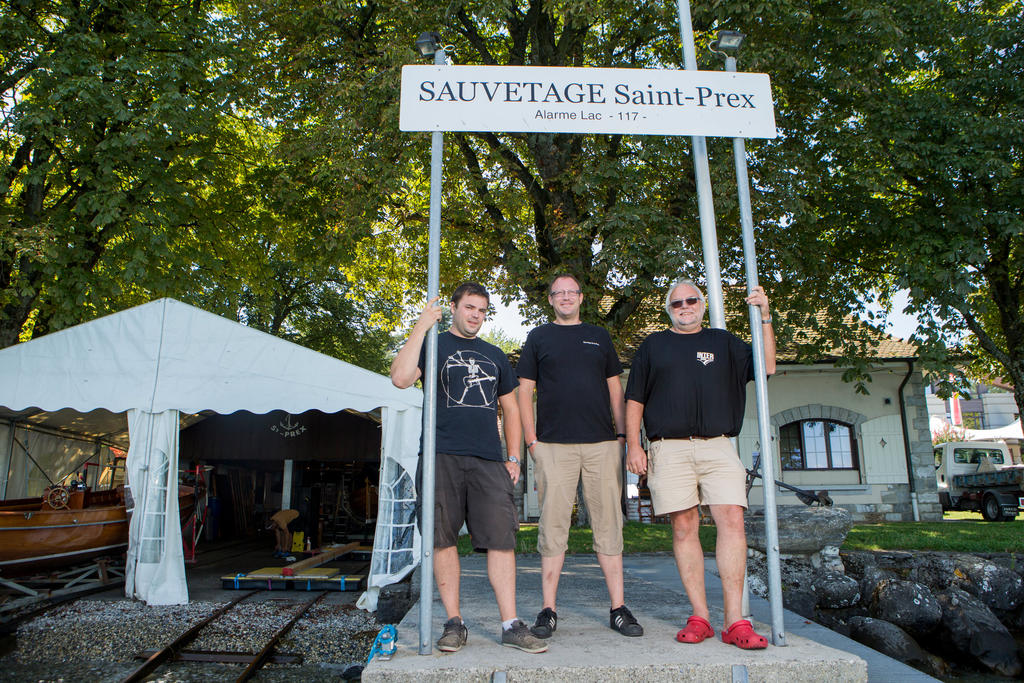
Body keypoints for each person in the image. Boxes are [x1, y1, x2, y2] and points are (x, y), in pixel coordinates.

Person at [390, 282, 547, 654]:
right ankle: (454, 623)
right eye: (469, 307)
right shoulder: (434, 345)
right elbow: (399, 378)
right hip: (440, 454)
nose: (475, 315)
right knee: (442, 538)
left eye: (482, 310)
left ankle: (510, 624)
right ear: (454, 308)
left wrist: (513, 456)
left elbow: (510, 409)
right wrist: (421, 326)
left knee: (501, 539)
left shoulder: (494, 356)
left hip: (488, 460)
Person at [624, 278, 775, 650]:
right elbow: (634, 400)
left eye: (691, 300)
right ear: (668, 310)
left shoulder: (724, 343)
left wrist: (766, 316)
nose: (685, 307)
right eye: (676, 304)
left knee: (732, 520)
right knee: (684, 527)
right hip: (668, 448)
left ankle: (735, 620)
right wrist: (633, 445)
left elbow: (767, 366)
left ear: (703, 305)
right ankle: (700, 617)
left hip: (719, 446)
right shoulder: (653, 346)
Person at [517, 273, 643, 639]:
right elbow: (525, 392)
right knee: (553, 527)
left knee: (609, 525)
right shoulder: (538, 337)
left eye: (572, 292)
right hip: (553, 447)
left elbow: (615, 390)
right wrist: (531, 442)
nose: (566, 297)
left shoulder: (599, 337)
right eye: (559, 293)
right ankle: (548, 610)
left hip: (602, 445)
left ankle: (618, 608)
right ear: (551, 300)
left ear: (581, 298)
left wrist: (622, 436)